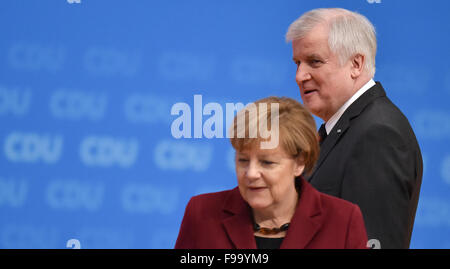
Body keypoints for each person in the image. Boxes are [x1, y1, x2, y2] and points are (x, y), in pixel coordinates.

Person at [285, 8, 423, 249]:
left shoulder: (378, 134)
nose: (299, 76)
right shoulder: (343, 128)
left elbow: (372, 240)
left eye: (314, 61)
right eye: (297, 63)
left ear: (356, 64)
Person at [175, 97, 368, 249]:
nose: (251, 173)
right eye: (243, 160)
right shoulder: (202, 213)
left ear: (299, 163)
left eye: (266, 162)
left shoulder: (342, 220)